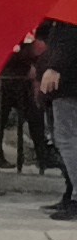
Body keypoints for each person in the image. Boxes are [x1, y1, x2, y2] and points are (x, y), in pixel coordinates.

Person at [35, 17, 77, 220]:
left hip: (68, 85)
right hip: (64, 86)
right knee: (65, 139)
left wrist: (54, 67)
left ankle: (75, 196)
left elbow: (68, 41)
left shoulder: (69, 17)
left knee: (67, 140)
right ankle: (70, 193)